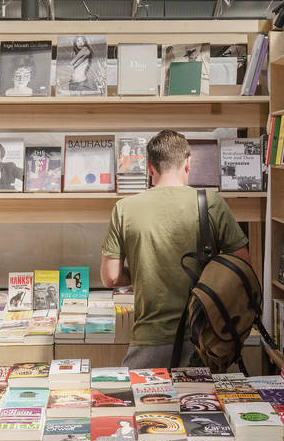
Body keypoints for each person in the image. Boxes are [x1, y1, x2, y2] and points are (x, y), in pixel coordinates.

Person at [101, 129, 250, 369]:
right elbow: (242, 267)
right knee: (203, 405)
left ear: (150, 168)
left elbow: (110, 277)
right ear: (188, 163)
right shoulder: (211, 203)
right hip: (205, 340)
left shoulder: (124, 208)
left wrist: (141, 273)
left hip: (148, 341)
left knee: (145, 405)